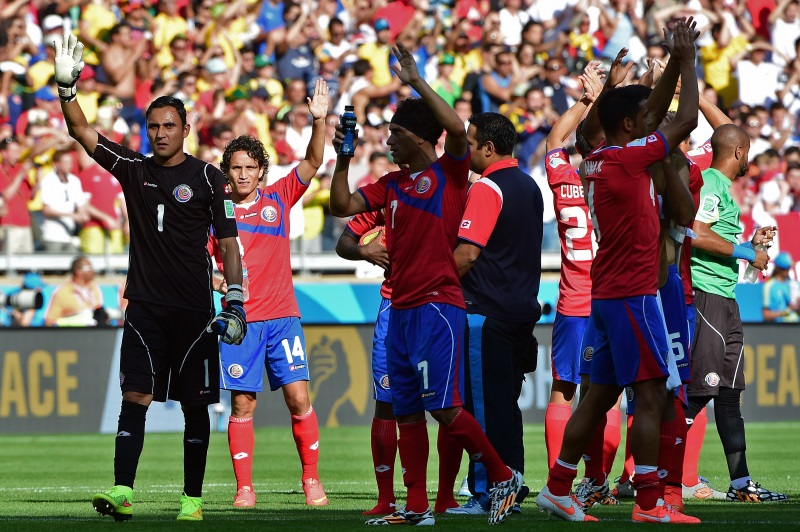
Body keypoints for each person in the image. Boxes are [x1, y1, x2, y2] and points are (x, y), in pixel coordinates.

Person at [53, 31, 245, 521]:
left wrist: (237, 299)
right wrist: (66, 91)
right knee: (134, 397)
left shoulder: (208, 178)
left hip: (197, 313)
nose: (160, 133)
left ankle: (193, 500)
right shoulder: (133, 169)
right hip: (143, 309)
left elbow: (227, 243)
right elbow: (82, 132)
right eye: (153, 126)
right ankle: (122, 491)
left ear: (186, 128)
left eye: (169, 125)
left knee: (195, 408)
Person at [329, 42, 521, 527]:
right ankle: (415, 508)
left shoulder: (450, 173)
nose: (388, 141)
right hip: (400, 308)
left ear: (416, 137)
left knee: (446, 409)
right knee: (408, 411)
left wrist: (415, 80)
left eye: (394, 133)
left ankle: (502, 475)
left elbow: (456, 130)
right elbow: (341, 207)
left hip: (438, 305)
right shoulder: (391, 183)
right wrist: (342, 158)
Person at [536, 19, 701, 523]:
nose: (652, 122)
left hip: (604, 294)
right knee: (651, 394)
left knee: (599, 393)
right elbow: (687, 120)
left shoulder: (598, 158)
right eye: (644, 119)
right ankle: (650, 503)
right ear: (629, 126)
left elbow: (648, 117)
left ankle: (558, 486)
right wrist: (687, 59)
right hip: (632, 294)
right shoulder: (631, 159)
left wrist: (668, 62)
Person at [208, 79, 330, 509]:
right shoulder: (216, 214)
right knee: (243, 402)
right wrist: (217, 281)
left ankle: (311, 480)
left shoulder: (278, 197)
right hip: (241, 323)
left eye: (249, 168)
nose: (242, 175)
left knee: (299, 397)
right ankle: (245, 487)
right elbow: (202, 264)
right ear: (227, 172)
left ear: (262, 170)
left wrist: (319, 121)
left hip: (282, 316)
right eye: (235, 168)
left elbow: (315, 161)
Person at [446, 111, 543, 517]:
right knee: (506, 407)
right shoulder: (530, 185)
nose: (466, 152)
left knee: (482, 407)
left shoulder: (488, 188)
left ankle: (487, 491)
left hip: (486, 313)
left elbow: (468, 252)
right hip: (520, 311)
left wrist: (432, 280)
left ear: (488, 148)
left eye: (470, 144)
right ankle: (511, 486)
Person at [689, 123, 789, 503]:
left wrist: (748, 244)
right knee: (698, 394)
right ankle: (665, 479)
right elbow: (696, 233)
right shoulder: (712, 183)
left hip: (725, 297)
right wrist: (747, 252)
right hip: (707, 298)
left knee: (730, 395)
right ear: (740, 152)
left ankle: (741, 484)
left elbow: (716, 241)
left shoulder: (723, 190)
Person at [44, 256, 105, 326]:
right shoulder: (62, 293)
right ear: (79, 272)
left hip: (96, 332)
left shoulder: (94, 288)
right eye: (89, 268)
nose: (93, 271)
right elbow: (50, 321)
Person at [762, 252, 800, 322]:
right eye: (784, 268)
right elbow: (766, 315)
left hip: (795, 328)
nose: (787, 270)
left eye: (788, 268)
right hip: (779, 329)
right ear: (777, 268)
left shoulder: (794, 285)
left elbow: (797, 311)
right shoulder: (769, 286)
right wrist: (786, 312)